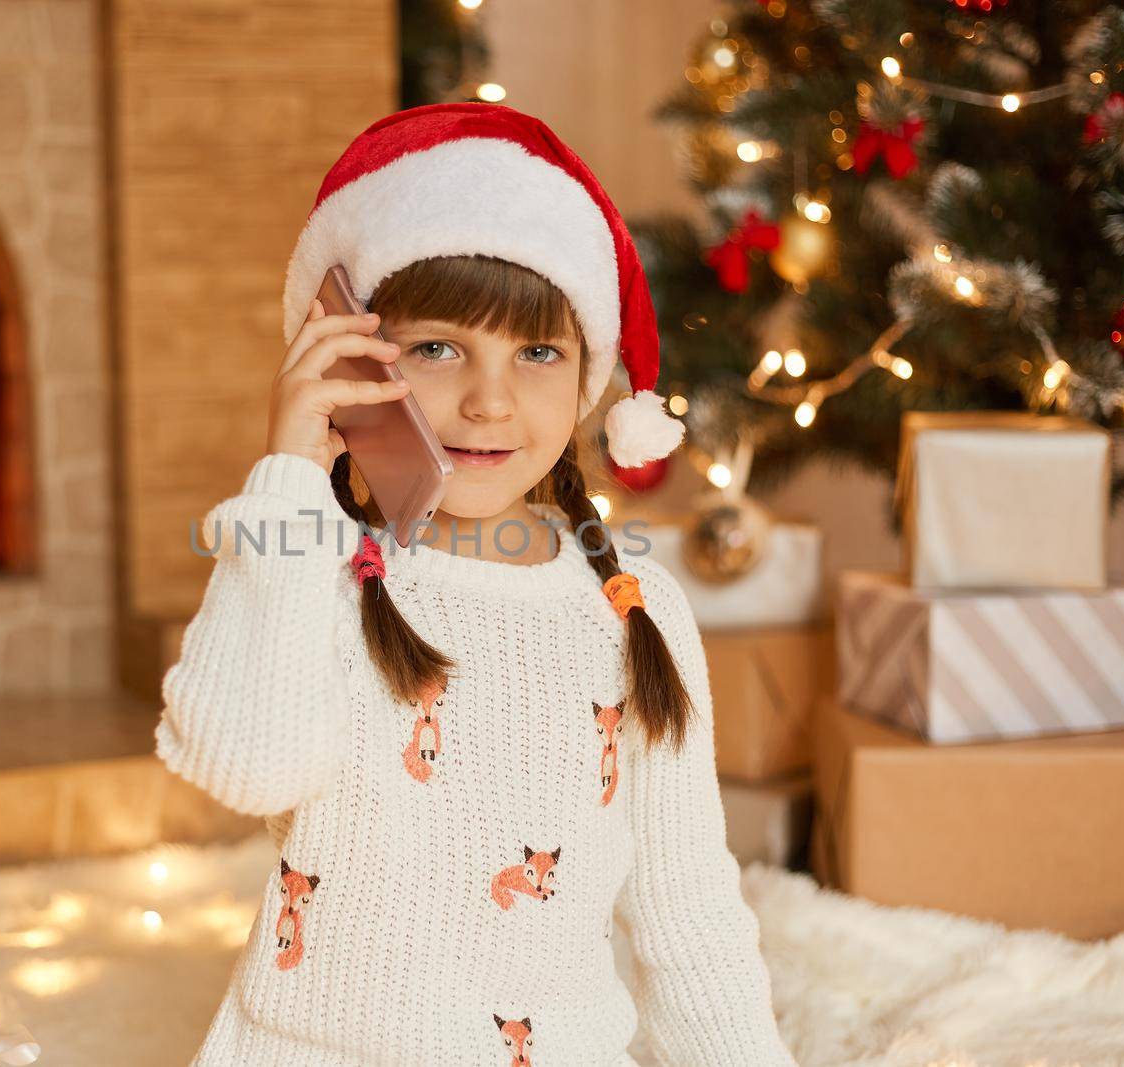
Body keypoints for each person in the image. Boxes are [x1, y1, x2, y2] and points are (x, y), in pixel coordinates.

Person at [155, 101, 799, 1067]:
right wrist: (289, 473)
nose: (490, 400)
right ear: (356, 357)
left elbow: (690, 915)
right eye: (438, 347)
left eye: (537, 353)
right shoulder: (312, 565)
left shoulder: (635, 613)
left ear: (588, 376)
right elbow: (247, 764)